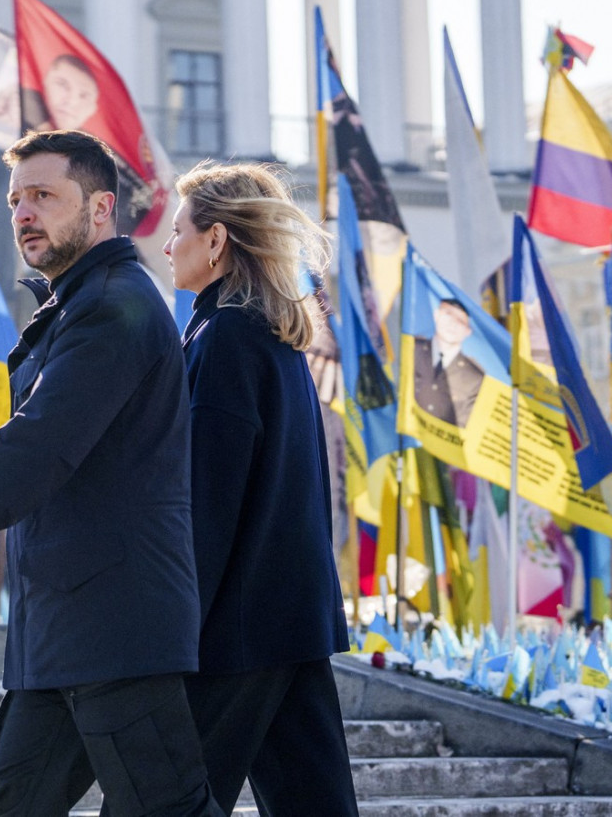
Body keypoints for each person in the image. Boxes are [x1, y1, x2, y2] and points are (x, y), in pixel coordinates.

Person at [0, 129, 222, 817]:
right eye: (15, 200)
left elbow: (34, 451)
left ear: (99, 208)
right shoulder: (77, 304)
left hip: (117, 624)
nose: (23, 213)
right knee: (17, 802)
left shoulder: (114, 306)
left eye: (44, 196)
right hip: (61, 628)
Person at [161, 162, 359, 815]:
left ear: (214, 240)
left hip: (236, 631)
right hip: (292, 618)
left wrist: (172, 632)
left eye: (177, 229)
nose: (166, 245)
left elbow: (207, 505)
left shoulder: (223, 340)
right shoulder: (269, 333)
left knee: (160, 801)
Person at [412, 298, 484, 426]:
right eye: (448, 315)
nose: (453, 324)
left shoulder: (474, 377)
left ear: (468, 332)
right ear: (436, 315)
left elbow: (469, 428)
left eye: (460, 321)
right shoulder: (410, 350)